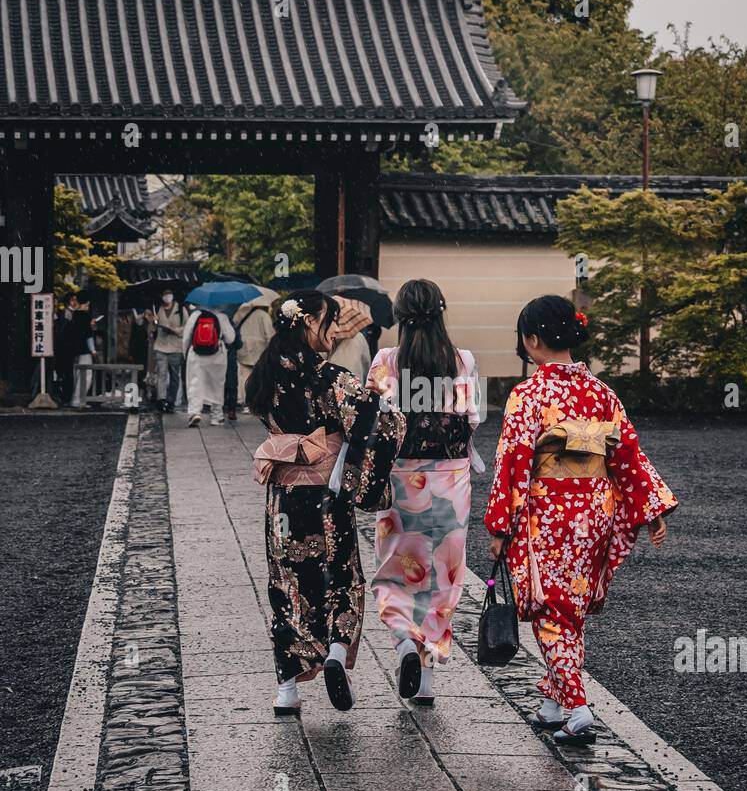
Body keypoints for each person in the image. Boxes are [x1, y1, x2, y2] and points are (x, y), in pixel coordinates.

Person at [484, 296, 677, 744]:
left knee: (552, 607)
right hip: (595, 510)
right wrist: (651, 508)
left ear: (532, 340)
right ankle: (553, 700)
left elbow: (513, 461)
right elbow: (627, 453)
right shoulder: (601, 392)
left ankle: (577, 707)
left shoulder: (529, 394)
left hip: (547, 510)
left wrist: (499, 525)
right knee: (569, 605)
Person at [246, 291, 405, 717]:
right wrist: (377, 400)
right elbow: (379, 423)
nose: (335, 331)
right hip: (325, 497)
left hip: (282, 495)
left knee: (286, 583)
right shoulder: (330, 377)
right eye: (330, 322)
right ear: (308, 323)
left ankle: (286, 690)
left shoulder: (265, 376)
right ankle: (335, 653)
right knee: (339, 576)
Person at [367, 279, 483, 706]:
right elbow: (470, 418)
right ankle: (427, 678)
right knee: (441, 576)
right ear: (442, 311)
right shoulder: (461, 360)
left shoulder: (385, 361)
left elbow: (374, 425)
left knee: (397, 568)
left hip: (401, 478)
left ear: (399, 316)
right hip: (450, 480)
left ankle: (402, 643)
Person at [183, 304, 235, 427]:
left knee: (195, 384)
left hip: (196, 355)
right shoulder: (222, 316)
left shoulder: (195, 315)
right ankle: (216, 416)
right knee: (217, 385)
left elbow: (186, 337)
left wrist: (186, 354)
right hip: (217, 355)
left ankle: (194, 412)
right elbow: (230, 339)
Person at [234, 296, 275, 409]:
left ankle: (245, 402)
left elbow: (235, 324)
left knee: (244, 376)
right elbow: (270, 335)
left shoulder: (241, 312)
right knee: (260, 377)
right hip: (260, 350)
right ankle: (258, 401)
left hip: (243, 348)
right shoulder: (264, 315)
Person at [153, 290, 187, 413]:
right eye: (164, 294)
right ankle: (161, 400)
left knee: (174, 375)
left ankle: (171, 400)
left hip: (175, 347)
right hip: (161, 345)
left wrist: (175, 330)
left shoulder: (181, 309)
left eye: (169, 294)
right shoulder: (157, 309)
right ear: (161, 296)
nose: (167, 297)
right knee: (161, 374)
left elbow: (187, 326)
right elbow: (153, 329)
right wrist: (153, 320)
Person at [68, 294, 96, 409]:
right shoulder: (86, 316)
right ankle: (79, 400)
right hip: (84, 350)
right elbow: (88, 335)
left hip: (75, 349)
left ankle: (75, 399)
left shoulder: (74, 315)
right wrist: (93, 350)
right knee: (86, 375)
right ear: (87, 303)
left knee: (77, 374)